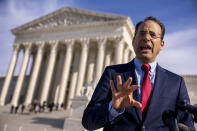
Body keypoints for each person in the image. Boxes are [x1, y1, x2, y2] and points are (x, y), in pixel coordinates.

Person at [82, 16, 195, 131]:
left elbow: (188, 126)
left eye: (152, 34)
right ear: (133, 41)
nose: (146, 37)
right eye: (141, 33)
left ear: (162, 44)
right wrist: (113, 108)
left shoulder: (176, 83)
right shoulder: (113, 73)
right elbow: (88, 122)